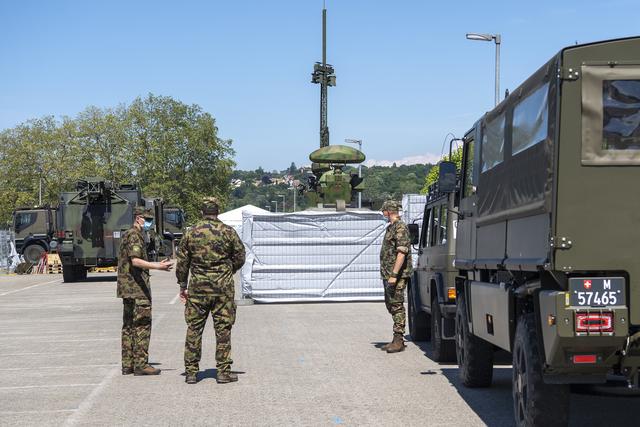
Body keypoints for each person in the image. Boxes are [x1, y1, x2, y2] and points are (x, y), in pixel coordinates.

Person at [176, 197, 246, 384]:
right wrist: (229, 270)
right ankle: (223, 371)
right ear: (217, 212)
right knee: (223, 330)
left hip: (198, 288)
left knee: (194, 328)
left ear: (202, 212)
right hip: (222, 289)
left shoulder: (191, 233)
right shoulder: (228, 232)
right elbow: (240, 255)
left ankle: (191, 372)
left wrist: (182, 284)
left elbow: (182, 262)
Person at [117, 206, 173, 376]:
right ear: (138, 218)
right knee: (142, 325)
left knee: (128, 326)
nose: (149, 222)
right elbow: (135, 261)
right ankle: (141, 364)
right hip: (137, 288)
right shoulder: (134, 235)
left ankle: (128, 364)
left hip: (128, 288)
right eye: (147, 219)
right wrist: (158, 266)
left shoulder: (129, 234)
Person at [379, 200, 413, 353]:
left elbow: (402, 253)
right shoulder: (391, 228)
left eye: (384, 210)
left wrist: (394, 275)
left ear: (389, 211)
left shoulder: (400, 227)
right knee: (391, 304)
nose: (382, 213)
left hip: (397, 275)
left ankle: (398, 340)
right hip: (388, 275)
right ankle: (396, 338)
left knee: (397, 305)